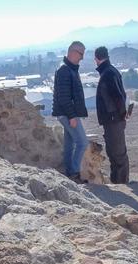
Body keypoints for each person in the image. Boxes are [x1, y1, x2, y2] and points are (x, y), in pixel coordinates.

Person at [52, 41, 89, 183]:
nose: (82, 57)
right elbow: (64, 97)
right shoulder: (64, 70)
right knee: (82, 142)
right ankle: (74, 172)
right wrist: (72, 116)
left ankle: (69, 173)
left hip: (67, 113)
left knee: (70, 144)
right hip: (67, 114)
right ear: (72, 52)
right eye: (81, 54)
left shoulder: (69, 69)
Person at [94, 46, 130, 185]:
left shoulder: (108, 74)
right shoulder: (111, 71)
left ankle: (121, 185)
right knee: (115, 153)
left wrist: (121, 114)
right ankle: (119, 182)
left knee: (118, 154)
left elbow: (118, 96)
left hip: (113, 119)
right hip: (114, 119)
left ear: (96, 59)